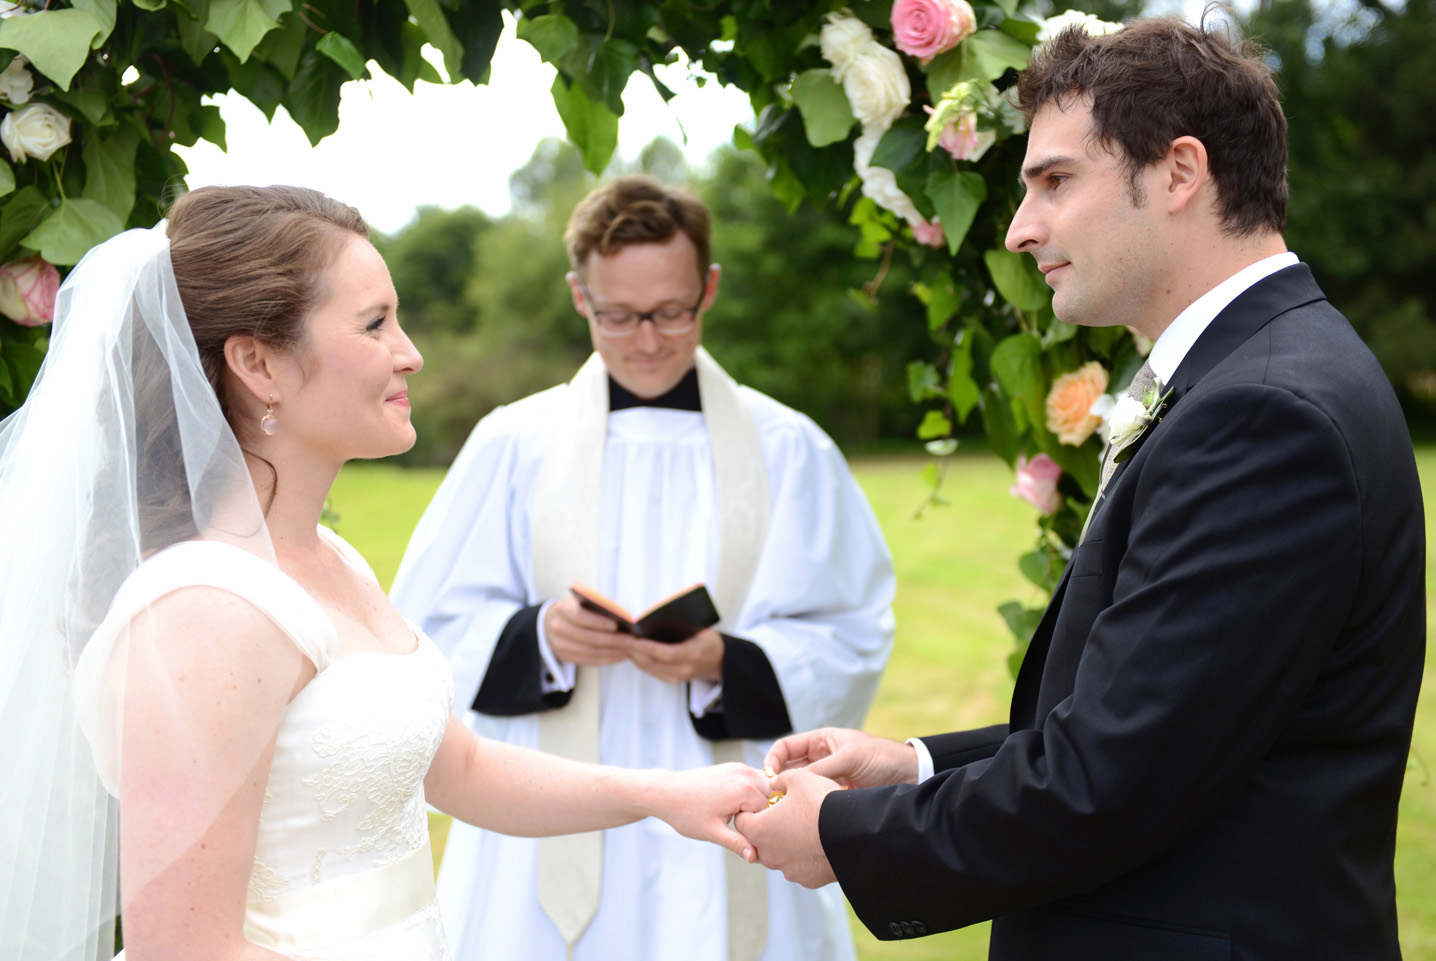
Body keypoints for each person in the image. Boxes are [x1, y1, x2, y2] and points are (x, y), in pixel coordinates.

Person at [737, 16, 1425, 961]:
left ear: (1180, 173)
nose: (1021, 228)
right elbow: (1145, 715)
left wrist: (846, 834)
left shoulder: (1266, 414)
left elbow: (1111, 780)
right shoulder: (1253, 374)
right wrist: (915, 765)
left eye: (1054, 181)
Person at [0, 185, 772, 961]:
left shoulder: (332, 559)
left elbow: (459, 767)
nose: (411, 353)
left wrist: (659, 793)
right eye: (375, 323)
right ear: (257, 363)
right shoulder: (206, 611)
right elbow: (187, 948)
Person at [390, 174, 895, 961]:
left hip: (729, 800)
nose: (649, 339)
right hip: (546, 811)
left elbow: (851, 626)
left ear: (709, 287)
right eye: (618, 315)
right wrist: (543, 638)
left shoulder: (788, 445)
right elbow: (421, 633)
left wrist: (728, 662)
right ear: (578, 295)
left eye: (671, 311)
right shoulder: (512, 442)